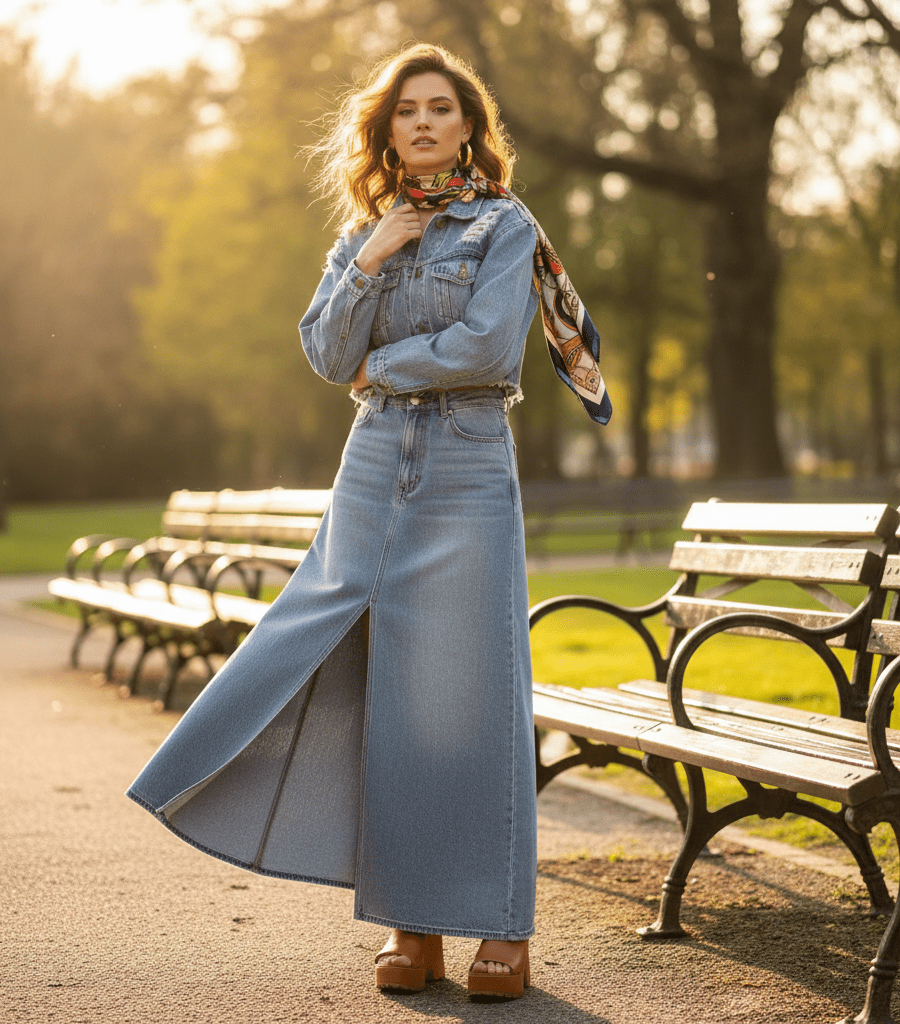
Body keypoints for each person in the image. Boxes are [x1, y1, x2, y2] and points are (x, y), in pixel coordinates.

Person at [126, 42, 610, 1002]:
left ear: (468, 128)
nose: (423, 122)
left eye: (441, 109)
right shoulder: (364, 233)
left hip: (467, 459)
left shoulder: (505, 225)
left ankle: (504, 926)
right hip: (375, 459)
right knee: (373, 679)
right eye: (407, 111)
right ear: (388, 132)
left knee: (473, 693)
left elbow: (485, 347)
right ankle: (411, 922)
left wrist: (380, 366)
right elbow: (322, 349)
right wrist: (374, 255)